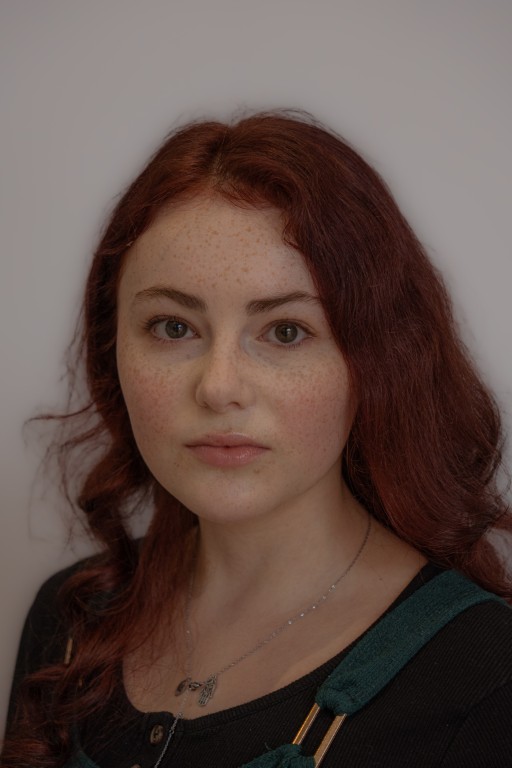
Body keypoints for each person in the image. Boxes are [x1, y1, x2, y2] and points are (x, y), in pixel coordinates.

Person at [2, 111, 512, 768]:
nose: (219, 388)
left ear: (378, 359)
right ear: (113, 351)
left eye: (286, 332)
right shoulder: (70, 620)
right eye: (173, 327)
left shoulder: (486, 679)